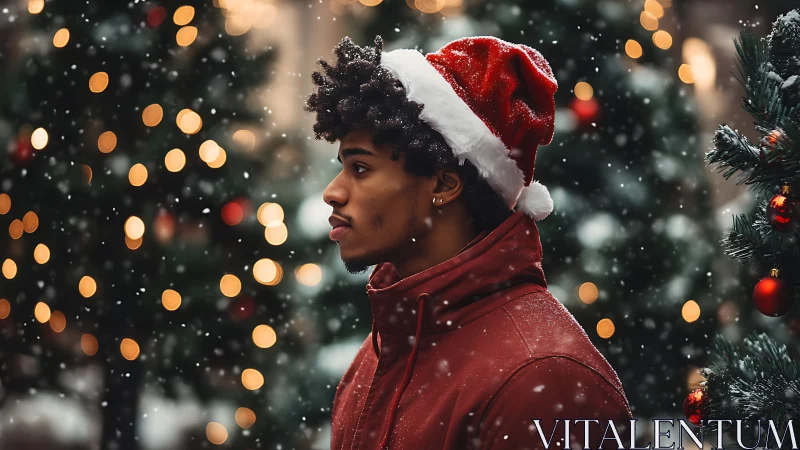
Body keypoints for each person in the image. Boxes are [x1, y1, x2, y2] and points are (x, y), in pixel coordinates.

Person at [307, 35, 632, 450]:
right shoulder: (381, 353)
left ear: (444, 184)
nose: (332, 192)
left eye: (360, 168)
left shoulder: (545, 378)